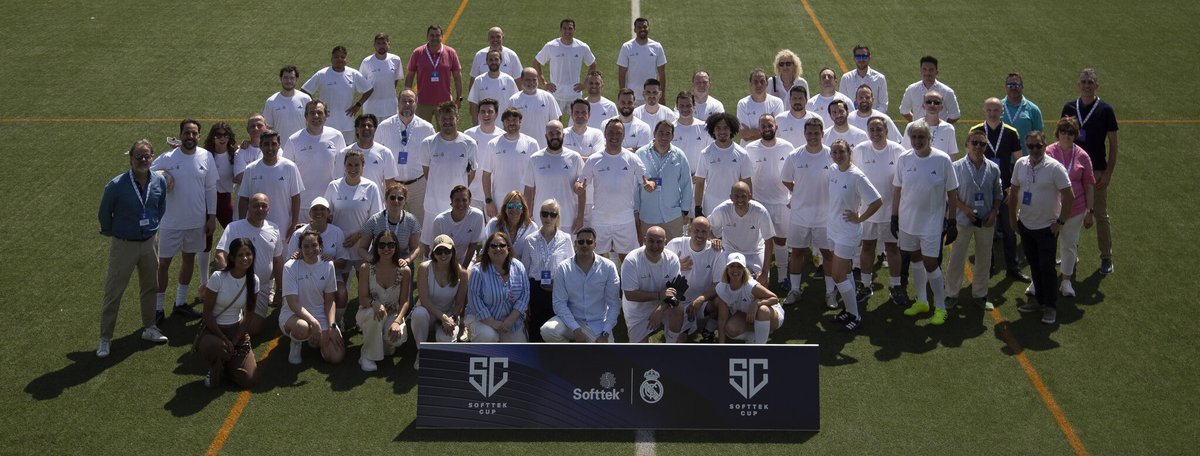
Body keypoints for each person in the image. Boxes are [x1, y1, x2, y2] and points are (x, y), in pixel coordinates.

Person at [97, 139, 169, 356]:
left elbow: (160, 207)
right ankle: (105, 338)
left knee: (150, 287)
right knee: (114, 292)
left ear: (153, 157)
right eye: (139, 156)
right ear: (131, 158)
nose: (143, 160)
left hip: (149, 242)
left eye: (147, 156)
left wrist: (151, 229)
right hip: (124, 245)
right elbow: (104, 215)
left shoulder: (159, 181)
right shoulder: (116, 185)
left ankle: (149, 327)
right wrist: (117, 234)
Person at [893, 121, 959, 326]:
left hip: (931, 224)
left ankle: (940, 307)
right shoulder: (903, 159)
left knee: (931, 263)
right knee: (915, 258)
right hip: (907, 222)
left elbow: (952, 191)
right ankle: (922, 301)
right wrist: (894, 217)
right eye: (913, 137)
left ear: (929, 138)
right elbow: (897, 189)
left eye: (921, 137)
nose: (917, 141)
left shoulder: (942, 160)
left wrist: (952, 219)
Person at [152, 119, 217, 320]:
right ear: (180, 135)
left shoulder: (206, 156)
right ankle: (158, 308)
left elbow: (210, 188)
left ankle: (180, 302)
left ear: (199, 136)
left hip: (196, 221)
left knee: (188, 260)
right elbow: (147, 173)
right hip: (170, 223)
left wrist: (211, 217)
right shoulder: (167, 157)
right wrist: (161, 176)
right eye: (186, 133)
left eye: (194, 133)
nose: (190, 136)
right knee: (163, 263)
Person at [1010, 131, 1073, 324]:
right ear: (1026, 146)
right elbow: (1013, 192)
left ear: (1045, 145)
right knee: (1034, 265)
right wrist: (1013, 220)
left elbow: (1069, 196)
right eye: (1031, 146)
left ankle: (1050, 307)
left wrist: (1060, 222)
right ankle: (1038, 300)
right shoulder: (1020, 164)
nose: (1035, 150)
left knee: (1047, 267)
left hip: (1047, 228)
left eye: (1038, 146)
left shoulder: (1055, 168)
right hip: (1026, 225)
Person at [1061, 68, 1118, 275]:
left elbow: (1113, 144)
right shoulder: (1069, 107)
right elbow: (1061, 139)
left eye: (1090, 82)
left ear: (1097, 86)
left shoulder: (1105, 110)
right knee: (1069, 213)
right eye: (1084, 81)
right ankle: (1071, 254)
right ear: (1078, 84)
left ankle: (1106, 257)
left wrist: (1108, 173)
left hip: (1096, 172)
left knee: (1100, 215)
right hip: (1072, 172)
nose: (1087, 85)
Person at [944, 130, 1004, 310]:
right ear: (967, 145)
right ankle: (951, 294)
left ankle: (980, 294)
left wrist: (994, 211)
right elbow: (950, 195)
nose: (978, 147)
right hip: (962, 220)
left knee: (984, 259)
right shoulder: (956, 167)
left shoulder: (993, 168)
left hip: (985, 221)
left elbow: (998, 193)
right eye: (974, 143)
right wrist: (965, 209)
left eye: (982, 144)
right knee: (956, 258)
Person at [971, 97, 1027, 281]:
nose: (992, 113)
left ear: (1001, 111)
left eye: (996, 110)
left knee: (1010, 229)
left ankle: (1013, 268)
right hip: (984, 189)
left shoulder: (1011, 132)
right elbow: (970, 160)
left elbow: (1019, 162)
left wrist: (1013, 187)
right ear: (983, 111)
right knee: (987, 230)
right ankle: (989, 267)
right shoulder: (976, 131)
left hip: (1006, 190)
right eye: (989, 110)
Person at [324, 149, 384, 322]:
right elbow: (328, 214)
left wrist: (358, 236)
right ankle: (339, 318)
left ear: (363, 166)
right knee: (338, 286)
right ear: (344, 166)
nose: (353, 168)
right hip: (340, 247)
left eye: (357, 164)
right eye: (349, 164)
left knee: (364, 283)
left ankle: (363, 317)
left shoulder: (371, 187)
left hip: (362, 246)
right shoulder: (334, 186)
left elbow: (376, 218)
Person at [214, 193, 285, 336]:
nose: (260, 209)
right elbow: (220, 254)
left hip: (262, 287)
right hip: (236, 285)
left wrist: (279, 289)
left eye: (263, 206)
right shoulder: (234, 227)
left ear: (268, 209)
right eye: (256, 205)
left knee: (253, 330)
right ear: (248, 207)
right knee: (229, 325)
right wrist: (228, 280)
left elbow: (277, 260)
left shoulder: (274, 229)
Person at [853, 117, 907, 304]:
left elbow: (903, 183)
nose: (875, 133)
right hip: (867, 212)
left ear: (886, 131)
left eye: (879, 129)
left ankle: (896, 286)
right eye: (872, 130)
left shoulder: (898, 151)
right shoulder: (859, 150)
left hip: (891, 212)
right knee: (867, 247)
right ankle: (866, 285)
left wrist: (898, 211)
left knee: (892, 249)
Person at [578, 119, 648, 262]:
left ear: (623, 135)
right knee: (594, 257)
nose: (614, 136)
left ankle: (627, 284)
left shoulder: (633, 159)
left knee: (628, 258)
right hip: (600, 218)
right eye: (611, 132)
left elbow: (646, 179)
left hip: (625, 219)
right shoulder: (593, 159)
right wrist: (578, 186)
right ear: (605, 134)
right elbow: (581, 181)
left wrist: (650, 184)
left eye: (618, 132)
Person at [781, 118, 834, 306]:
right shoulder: (795, 156)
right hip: (799, 215)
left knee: (828, 254)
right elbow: (786, 179)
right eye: (809, 133)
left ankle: (830, 293)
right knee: (797, 253)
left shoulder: (831, 155)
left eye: (816, 133)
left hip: (825, 217)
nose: (813, 136)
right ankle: (795, 290)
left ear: (822, 133)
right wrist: (801, 191)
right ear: (804, 134)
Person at [197, 238, 258, 388]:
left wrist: (236, 339)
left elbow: (249, 313)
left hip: (236, 330)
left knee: (249, 379)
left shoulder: (254, 280)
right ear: (231, 257)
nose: (245, 258)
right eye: (240, 255)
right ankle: (216, 363)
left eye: (248, 254)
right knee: (219, 348)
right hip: (214, 330)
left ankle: (227, 364)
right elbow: (207, 314)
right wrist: (224, 338)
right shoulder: (218, 277)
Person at [541, 226, 619, 343]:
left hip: (598, 324)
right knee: (548, 330)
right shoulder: (563, 268)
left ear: (595, 245)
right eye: (581, 242)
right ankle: (571, 358)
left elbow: (614, 304)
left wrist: (606, 332)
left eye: (589, 242)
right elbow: (559, 303)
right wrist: (576, 329)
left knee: (607, 359)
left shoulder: (608, 267)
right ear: (575, 243)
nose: (585, 245)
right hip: (571, 321)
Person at [1046, 117, 1095, 297]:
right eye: (1063, 131)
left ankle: (1066, 281)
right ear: (1057, 133)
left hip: (1075, 210)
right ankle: (1038, 280)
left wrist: (1090, 212)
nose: (1066, 135)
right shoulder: (1048, 152)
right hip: (1050, 209)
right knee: (1046, 246)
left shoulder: (1083, 155)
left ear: (1076, 135)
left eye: (1070, 132)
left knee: (1069, 245)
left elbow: (1089, 185)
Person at [744, 114, 793, 287]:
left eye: (769, 125)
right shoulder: (750, 149)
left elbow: (794, 174)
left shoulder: (787, 147)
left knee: (781, 241)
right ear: (759, 128)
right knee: (759, 242)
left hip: (782, 203)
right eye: (763, 125)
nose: (766, 128)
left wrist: (792, 196)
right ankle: (761, 277)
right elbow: (745, 177)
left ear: (776, 127)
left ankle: (782, 277)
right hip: (759, 204)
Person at [282, 231, 344, 365]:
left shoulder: (328, 265)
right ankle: (296, 343)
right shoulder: (289, 267)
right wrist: (314, 323)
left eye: (314, 245)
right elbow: (293, 304)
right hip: (294, 314)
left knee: (335, 357)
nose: (310, 250)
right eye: (306, 246)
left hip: (319, 313)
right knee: (303, 328)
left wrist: (332, 325)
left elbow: (329, 300)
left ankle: (316, 340)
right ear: (300, 248)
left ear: (320, 246)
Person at [355, 230, 413, 372]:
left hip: (393, 313)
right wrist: (374, 303)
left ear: (396, 247)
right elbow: (362, 298)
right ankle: (367, 356)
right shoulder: (366, 268)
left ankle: (382, 341)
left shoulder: (404, 270)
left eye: (390, 245)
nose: (386, 249)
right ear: (376, 247)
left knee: (397, 339)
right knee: (374, 314)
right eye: (382, 245)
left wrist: (397, 321)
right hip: (368, 312)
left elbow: (405, 301)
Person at [418, 102, 478, 239]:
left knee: (458, 245)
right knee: (431, 246)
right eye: (444, 119)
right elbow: (427, 172)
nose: (447, 122)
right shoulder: (427, 143)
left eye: (451, 118)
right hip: (433, 205)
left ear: (457, 119)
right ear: (439, 120)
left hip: (459, 206)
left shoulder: (469, 143)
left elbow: (472, 173)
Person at [282, 100, 347, 223]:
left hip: (329, 204)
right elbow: (286, 173)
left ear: (326, 116)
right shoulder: (293, 140)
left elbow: (342, 170)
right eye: (312, 113)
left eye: (319, 112)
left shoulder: (337, 136)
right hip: (302, 205)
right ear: (306, 116)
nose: (316, 116)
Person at [520, 199, 576, 342]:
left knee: (554, 331)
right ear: (540, 215)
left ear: (558, 217)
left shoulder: (566, 239)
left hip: (557, 290)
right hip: (535, 291)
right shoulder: (530, 240)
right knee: (535, 331)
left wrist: (560, 288)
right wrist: (525, 302)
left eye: (553, 214)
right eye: (545, 214)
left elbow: (572, 270)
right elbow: (524, 273)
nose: (548, 218)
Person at [377, 89, 436, 224]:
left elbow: (433, 157)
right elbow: (377, 154)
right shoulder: (384, 126)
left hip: (418, 184)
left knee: (421, 223)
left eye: (411, 101)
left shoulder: (427, 128)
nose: (407, 104)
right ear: (398, 103)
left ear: (416, 103)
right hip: (392, 184)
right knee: (391, 222)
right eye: (404, 101)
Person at [411, 234, 469, 368]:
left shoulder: (463, 273)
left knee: (445, 339)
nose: (443, 255)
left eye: (447, 251)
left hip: (449, 315)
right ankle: (421, 351)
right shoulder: (424, 268)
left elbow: (459, 303)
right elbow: (424, 300)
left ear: (453, 252)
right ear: (433, 253)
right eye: (439, 251)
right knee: (419, 314)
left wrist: (449, 319)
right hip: (427, 312)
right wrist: (442, 317)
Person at [237, 129, 302, 242]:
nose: (270, 148)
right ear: (260, 146)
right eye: (266, 144)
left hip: (283, 227)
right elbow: (244, 199)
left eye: (274, 144)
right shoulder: (251, 169)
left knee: (281, 259)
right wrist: (242, 224)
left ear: (279, 145)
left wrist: (293, 224)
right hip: (256, 227)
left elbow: (296, 197)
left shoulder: (290, 167)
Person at [668, 217, 728, 340]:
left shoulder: (717, 251)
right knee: (680, 341)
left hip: (702, 303)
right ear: (690, 230)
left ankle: (711, 329)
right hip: (675, 302)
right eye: (696, 230)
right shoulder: (675, 244)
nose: (700, 235)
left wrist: (701, 299)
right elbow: (661, 272)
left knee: (722, 299)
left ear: (709, 232)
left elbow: (719, 283)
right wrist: (676, 265)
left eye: (704, 231)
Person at [622, 227, 684, 343]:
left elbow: (675, 291)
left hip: (664, 305)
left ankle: (671, 345)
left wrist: (660, 310)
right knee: (640, 354)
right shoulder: (632, 260)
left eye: (659, 242)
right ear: (644, 240)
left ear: (665, 242)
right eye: (651, 241)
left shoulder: (672, 258)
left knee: (678, 308)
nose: (655, 246)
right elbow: (630, 295)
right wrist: (659, 295)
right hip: (637, 310)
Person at [525, 120, 587, 233]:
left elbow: (582, 190)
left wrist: (580, 217)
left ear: (563, 135)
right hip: (541, 220)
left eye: (558, 133)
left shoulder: (575, 158)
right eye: (551, 134)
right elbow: (529, 191)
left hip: (568, 220)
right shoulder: (535, 159)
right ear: (546, 136)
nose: (555, 137)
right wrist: (528, 216)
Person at [466, 232, 530, 342]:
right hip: (481, 320)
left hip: (510, 322)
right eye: (493, 246)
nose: (498, 249)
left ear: (508, 248)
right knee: (489, 336)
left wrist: (510, 320)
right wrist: (493, 323)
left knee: (518, 349)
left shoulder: (519, 267)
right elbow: (475, 301)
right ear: (487, 250)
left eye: (502, 245)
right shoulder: (478, 271)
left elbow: (525, 295)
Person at [635, 120, 693, 239]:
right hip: (647, 215)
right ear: (654, 133)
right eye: (661, 133)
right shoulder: (640, 154)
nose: (664, 137)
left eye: (668, 134)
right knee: (650, 253)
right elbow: (634, 186)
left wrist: (685, 210)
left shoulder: (679, 155)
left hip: (673, 216)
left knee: (676, 252)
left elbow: (687, 184)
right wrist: (636, 211)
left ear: (672, 136)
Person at [301, 45, 374, 140]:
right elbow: (305, 91)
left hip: (347, 124)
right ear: (331, 59)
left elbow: (369, 89)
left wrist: (358, 105)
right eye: (336, 57)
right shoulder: (322, 74)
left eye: (342, 57)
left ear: (346, 59)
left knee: (347, 152)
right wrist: (316, 107)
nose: (339, 59)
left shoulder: (353, 74)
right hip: (327, 124)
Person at [708, 181, 775, 283]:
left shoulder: (760, 211)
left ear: (750, 196)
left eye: (743, 196)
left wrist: (765, 272)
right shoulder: (722, 209)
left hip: (755, 251)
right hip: (730, 251)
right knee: (721, 282)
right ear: (731, 197)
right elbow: (705, 226)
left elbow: (769, 241)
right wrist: (713, 239)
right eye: (736, 196)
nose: (740, 200)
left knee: (763, 283)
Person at [709, 253, 782, 344]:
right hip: (747, 315)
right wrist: (721, 346)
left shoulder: (750, 285)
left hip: (773, 315)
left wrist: (757, 303)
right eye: (732, 266)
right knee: (730, 329)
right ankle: (754, 336)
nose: (735, 270)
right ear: (727, 268)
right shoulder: (721, 288)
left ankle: (761, 348)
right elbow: (722, 319)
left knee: (763, 310)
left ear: (744, 270)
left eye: (739, 267)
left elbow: (775, 298)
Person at [201, 122, 240, 294]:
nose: (222, 138)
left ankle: (235, 273)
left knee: (236, 236)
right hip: (205, 202)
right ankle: (204, 283)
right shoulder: (205, 155)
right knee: (205, 242)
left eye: (225, 135)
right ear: (213, 138)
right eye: (218, 135)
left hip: (224, 200)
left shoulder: (235, 154)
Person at [289, 198, 350, 304]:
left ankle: (338, 320)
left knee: (341, 293)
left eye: (322, 209)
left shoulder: (337, 232)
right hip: (305, 275)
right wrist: (297, 257)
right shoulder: (298, 234)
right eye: (315, 209)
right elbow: (290, 261)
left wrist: (331, 262)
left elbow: (343, 262)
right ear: (310, 213)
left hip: (330, 275)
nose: (318, 212)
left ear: (328, 213)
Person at [694, 112, 752, 217]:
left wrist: (747, 204)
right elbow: (700, 183)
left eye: (725, 128)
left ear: (731, 130)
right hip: (711, 208)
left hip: (734, 207)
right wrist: (698, 207)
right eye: (718, 128)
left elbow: (747, 182)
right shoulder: (705, 154)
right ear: (713, 130)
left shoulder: (742, 154)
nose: (722, 131)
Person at [483, 108, 539, 217]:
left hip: (524, 202)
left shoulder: (532, 144)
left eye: (514, 120)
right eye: (508, 120)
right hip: (499, 202)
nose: (511, 123)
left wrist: (532, 203)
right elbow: (486, 175)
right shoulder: (493, 144)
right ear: (503, 123)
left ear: (520, 122)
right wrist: (489, 201)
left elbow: (537, 176)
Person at [533, 18, 598, 111]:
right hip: (555, 93)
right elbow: (536, 62)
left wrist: (585, 84)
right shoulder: (551, 46)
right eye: (565, 28)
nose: (567, 31)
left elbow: (592, 64)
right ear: (560, 30)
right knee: (555, 123)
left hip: (574, 94)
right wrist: (544, 83)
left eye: (570, 28)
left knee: (577, 122)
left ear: (574, 30)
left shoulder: (582, 47)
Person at [356, 183, 421, 269]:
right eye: (392, 197)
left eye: (400, 198)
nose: (396, 201)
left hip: (401, 263)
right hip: (378, 263)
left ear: (405, 201)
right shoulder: (375, 220)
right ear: (386, 199)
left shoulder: (411, 221)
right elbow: (361, 249)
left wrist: (407, 260)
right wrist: (371, 259)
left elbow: (415, 248)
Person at [405, 24, 463, 121]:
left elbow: (457, 76)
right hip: (423, 102)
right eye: (432, 35)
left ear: (442, 37)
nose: (434, 38)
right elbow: (410, 76)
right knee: (422, 132)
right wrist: (408, 97)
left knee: (446, 131)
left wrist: (459, 98)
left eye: (437, 35)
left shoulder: (450, 52)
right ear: (427, 36)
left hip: (445, 102)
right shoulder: (418, 52)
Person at [425, 185, 486, 268]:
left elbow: (472, 246)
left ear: (469, 201)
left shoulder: (477, 216)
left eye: (464, 200)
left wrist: (463, 269)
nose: (461, 204)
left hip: (466, 259)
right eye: (457, 200)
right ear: (451, 202)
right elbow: (435, 249)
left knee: (468, 277)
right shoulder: (440, 221)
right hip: (443, 257)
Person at [465, 98, 504, 209]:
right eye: (482, 111)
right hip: (471, 193)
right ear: (478, 114)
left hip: (494, 194)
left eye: (490, 111)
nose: (486, 115)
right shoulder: (468, 135)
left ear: (496, 114)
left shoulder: (503, 137)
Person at [508, 67, 562, 148]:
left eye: (534, 79)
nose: (531, 82)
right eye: (528, 80)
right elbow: (509, 124)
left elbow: (556, 122)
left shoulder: (548, 97)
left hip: (544, 146)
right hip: (521, 146)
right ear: (521, 80)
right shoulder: (514, 100)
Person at [617, 17, 667, 102]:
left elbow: (662, 74)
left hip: (652, 96)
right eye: (639, 27)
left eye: (644, 27)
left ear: (649, 28)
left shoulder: (657, 47)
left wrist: (661, 96)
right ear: (635, 30)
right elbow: (622, 73)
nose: (642, 29)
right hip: (632, 97)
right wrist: (623, 95)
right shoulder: (626, 47)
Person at [899, 55, 961, 123]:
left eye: (931, 70)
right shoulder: (911, 89)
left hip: (939, 133)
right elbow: (904, 111)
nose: (927, 73)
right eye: (924, 69)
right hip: (919, 133)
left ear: (937, 72)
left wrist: (942, 128)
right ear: (920, 71)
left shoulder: (947, 92)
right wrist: (917, 125)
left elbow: (955, 115)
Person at [359, 33, 404, 118]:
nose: (381, 46)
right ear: (374, 45)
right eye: (378, 43)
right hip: (371, 107)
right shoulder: (367, 61)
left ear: (388, 44)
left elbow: (395, 80)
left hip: (390, 107)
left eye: (384, 43)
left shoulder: (396, 60)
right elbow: (362, 82)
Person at [263, 65, 312, 141]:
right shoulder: (271, 101)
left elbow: (312, 124)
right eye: (285, 78)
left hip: (302, 147)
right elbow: (267, 128)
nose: (288, 81)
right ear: (280, 79)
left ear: (296, 79)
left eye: (292, 78)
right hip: (280, 149)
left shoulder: (306, 99)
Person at [467, 50, 517, 124]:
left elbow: (514, 104)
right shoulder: (479, 80)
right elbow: (474, 104)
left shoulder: (509, 80)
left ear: (501, 61)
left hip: (503, 127)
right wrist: (475, 124)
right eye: (491, 59)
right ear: (486, 61)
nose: (493, 62)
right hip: (483, 127)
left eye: (496, 59)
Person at [737, 69, 786, 143]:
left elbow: (777, 131)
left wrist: (751, 132)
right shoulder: (742, 104)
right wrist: (766, 133)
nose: (759, 84)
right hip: (748, 150)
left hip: (771, 149)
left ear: (767, 83)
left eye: (762, 81)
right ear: (750, 83)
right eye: (755, 82)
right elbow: (744, 134)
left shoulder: (777, 103)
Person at [486, 191, 537, 260]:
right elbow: (486, 250)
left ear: (523, 209)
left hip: (522, 268)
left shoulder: (532, 227)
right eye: (510, 206)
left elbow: (534, 256)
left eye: (518, 206)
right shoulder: (493, 224)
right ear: (505, 209)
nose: (514, 209)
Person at [1002, 72, 1044, 158]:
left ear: (1022, 86)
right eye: (1010, 85)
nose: (1013, 88)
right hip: (1002, 160)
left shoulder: (1033, 109)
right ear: (1005, 87)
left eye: (1016, 85)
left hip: (1025, 160)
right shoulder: (997, 107)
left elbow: (1040, 137)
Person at [672, 91, 713, 172]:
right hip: (676, 178)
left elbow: (711, 153)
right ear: (677, 107)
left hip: (699, 179)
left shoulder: (705, 128)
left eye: (688, 105)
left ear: (694, 106)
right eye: (682, 106)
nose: (685, 108)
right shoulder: (670, 129)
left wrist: (700, 174)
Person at [839, 45, 888, 112]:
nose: (861, 59)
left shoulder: (880, 78)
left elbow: (883, 104)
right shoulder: (846, 78)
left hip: (873, 119)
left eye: (864, 56)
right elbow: (842, 102)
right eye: (858, 57)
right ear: (854, 58)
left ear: (869, 57)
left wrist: (873, 117)